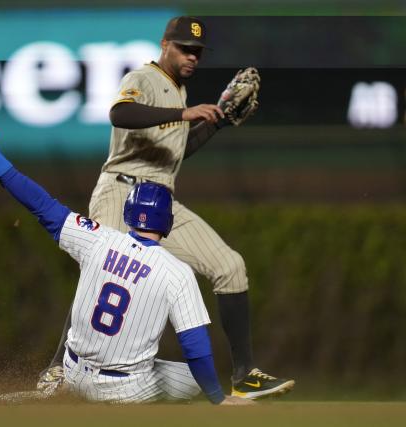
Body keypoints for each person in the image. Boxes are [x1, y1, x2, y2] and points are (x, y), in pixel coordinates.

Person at [38, 16, 294, 400]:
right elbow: (119, 114)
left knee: (230, 267)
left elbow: (178, 150)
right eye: (184, 49)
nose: (192, 57)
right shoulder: (142, 78)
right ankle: (58, 370)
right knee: (100, 275)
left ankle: (244, 375)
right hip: (120, 193)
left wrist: (218, 121)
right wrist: (182, 115)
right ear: (165, 45)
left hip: (161, 203)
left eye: (197, 52)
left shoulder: (179, 93)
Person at [0, 119, 251, 405]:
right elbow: (195, 347)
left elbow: (40, 204)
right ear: (168, 222)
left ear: (127, 212)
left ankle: (64, 392)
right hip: (125, 389)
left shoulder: (97, 238)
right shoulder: (176, 272)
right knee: (193, 379)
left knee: (103, 371)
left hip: (73, 370)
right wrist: (218, 399)